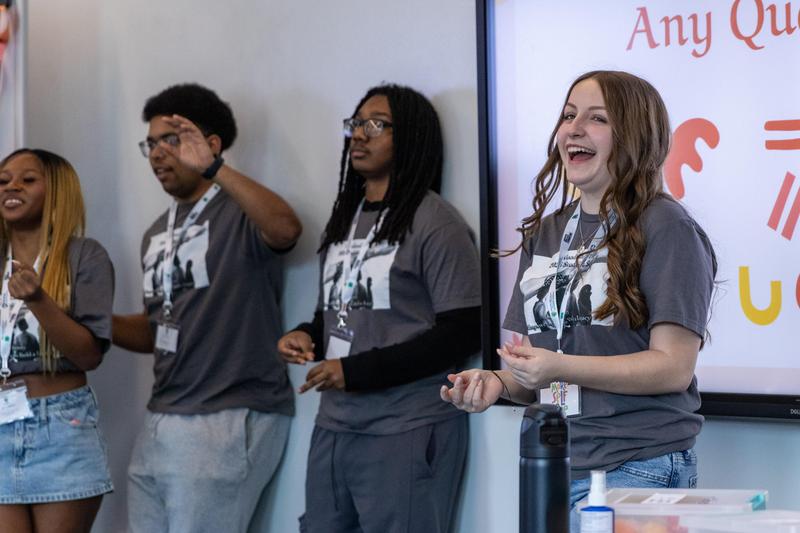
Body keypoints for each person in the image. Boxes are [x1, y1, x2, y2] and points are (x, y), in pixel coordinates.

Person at [440, 70, 717, 532]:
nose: (573, 128)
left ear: (634, 136)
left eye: (596, 118)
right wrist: (497, 382)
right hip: (556, 461)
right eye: (568, 115)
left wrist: (556, 368)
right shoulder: (546, 232)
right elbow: (539, 368)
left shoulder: (666, 227)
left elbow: (673, 367)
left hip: (638, 466)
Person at [278, 84, 481, 533]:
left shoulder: (436, 222)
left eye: (377, 125)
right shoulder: (346, 217)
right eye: (355, 124)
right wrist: (305, 334)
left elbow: (463, 332)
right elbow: (339, 311)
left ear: (409, 137)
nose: (359, 135)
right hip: (335, 424)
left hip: (405, 426)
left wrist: (356, 372)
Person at [112, 83, 302, 533]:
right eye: (151, 143)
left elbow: (286, 229)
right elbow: (157, 328)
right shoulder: (157, 232)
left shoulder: (240, 210)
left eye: (171, 140)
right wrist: (85, 319)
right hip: (162, 416)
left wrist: (217, 170)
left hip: (227, 412)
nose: (157, 154)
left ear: (210, 144)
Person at [0, 148, 114, 533]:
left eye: (27, 179)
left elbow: (88, 355)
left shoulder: (84, 256)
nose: (11, 186)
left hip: (61, 426)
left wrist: (38, 299)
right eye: (3, 181)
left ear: (58, 191)